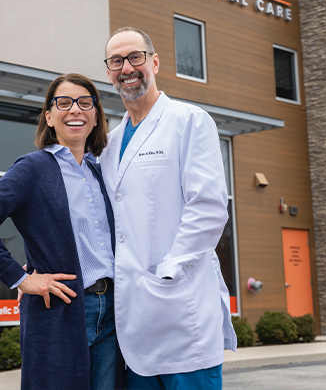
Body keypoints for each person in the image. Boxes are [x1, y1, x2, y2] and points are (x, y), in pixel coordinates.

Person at [0, 73, 122, 390]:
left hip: (113, 309)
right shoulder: (34, 168)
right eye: (64, 102)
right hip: (63, 310)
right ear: (49, 116)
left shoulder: (100, 171)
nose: (75, 109)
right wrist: (21, 279)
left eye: (85, 103)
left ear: (95, 115)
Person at [100, 27, 237, 389]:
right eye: (117, 61)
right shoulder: (109, 145)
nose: (127, 67)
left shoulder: (189, 121)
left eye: (135, 57)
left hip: (181, 308)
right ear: (109, 72)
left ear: (154, 62)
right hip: (134, 323)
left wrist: (169, 271)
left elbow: (207, 207)